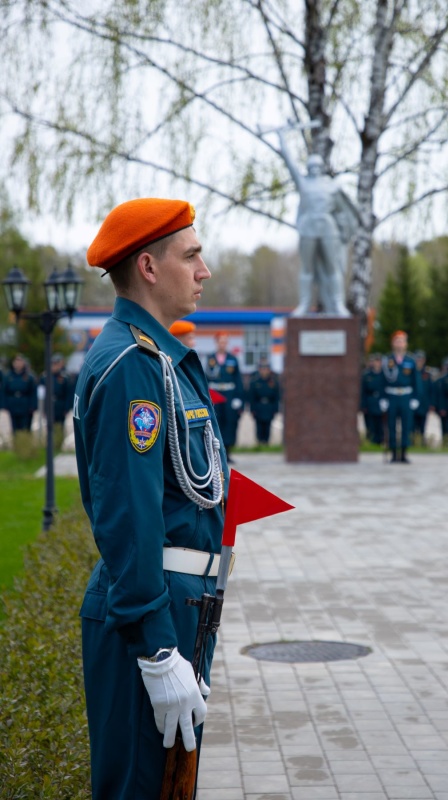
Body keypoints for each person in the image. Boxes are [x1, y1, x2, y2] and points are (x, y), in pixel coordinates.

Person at [73, 197, 229, 800]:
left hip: (180, 606)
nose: (204, 270)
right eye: (191, 255)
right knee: (136, 788)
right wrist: (159, 648)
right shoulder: (132, 367)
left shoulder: (164, 359)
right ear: (148, 266)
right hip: (152, 615)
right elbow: (128, 519)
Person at [277, 125, 357, 317]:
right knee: (307, 269)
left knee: (333, 268)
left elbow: (345, 211)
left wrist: (346, 231)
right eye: (310, 167)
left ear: (322, 168)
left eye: (317, 167)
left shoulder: (332, 187)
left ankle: (337, 305)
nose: (313, 170)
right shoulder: (303, 183)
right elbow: (289, 163)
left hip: (329, 230)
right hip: (308, 230)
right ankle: (304, 304)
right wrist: (281, 138)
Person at [380, 331, 421, 463]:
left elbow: (416, 381)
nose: (400, 343)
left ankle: (403, 453)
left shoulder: (410, 360)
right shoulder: (387, 360)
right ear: (393, 343)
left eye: (402, 340)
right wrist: (383, 398)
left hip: (406, 396)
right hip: (391, 396)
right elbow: (382, 381)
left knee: (406, 425)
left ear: (406, 344)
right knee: (391, 425)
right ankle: (393, 453)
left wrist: (415, 398)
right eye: (397, 340)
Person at [204, 330, 244, 463]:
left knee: (230, 423)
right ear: (216, 342)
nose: (223, 344)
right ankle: (216, 453)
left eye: (225, 342)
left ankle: (228, 452)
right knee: (216, 423)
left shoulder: (232, 359)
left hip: (229, 394)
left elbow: (238, 379)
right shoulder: (210, 359)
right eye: (221, 341)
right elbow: (206, 378)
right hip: (215, 394)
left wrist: (238, 398)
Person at [247, 357, 281, 445]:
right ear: (259, 370)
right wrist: (252, 409)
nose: (264, 371)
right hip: (259, 406)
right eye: (262, 369)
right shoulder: (255, 382)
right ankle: (259, 442)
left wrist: (276, 409)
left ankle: (266, 442)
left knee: (268, 426)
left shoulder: (273, 382)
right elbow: (251, 397)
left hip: (269, 406)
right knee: (259, 426)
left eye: (266, 369)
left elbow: (277, 397)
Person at [39, 352, 74, 435]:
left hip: (60, 404)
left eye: (56, 364)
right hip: (49, 404)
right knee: (49, 426)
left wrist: (67, 408)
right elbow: (42, 394)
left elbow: (68, 394)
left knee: (60, 425)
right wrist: (43, 408)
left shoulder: (65, 378)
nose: (54, 367)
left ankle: (58, 442)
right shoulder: (45, 377)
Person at [4, 353, 37, 433]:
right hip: (13, 403)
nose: (18, 364)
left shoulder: (29, 377)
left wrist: (33, 406)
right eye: (16, 361)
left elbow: (33, 392)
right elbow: (4, 391)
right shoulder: (8, 376)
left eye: (20, 361)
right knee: (14, 427)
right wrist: (5, 404)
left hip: (25, 403)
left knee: (25, 427)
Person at [360, 353, 385, 445]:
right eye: (376, 361)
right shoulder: (367, 375)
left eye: (379, 361)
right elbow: (363, 391)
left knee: (380, 423)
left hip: (381, 401)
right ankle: (371, 440)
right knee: (370, 423)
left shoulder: (384, 374)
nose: (377, 363)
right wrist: (363, 405)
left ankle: (380, 440)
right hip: (370, 401)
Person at [412, 350, 433, 444]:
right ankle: (412, 441)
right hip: (412, 403)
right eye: (417, 359)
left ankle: (422, 442)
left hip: (424, 403)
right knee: (412, 425)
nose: (419, 361)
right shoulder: (411, 372)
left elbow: (431, 390)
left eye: (421, 359)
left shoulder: (427, 373)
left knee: (422, 425)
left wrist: (431, 404)